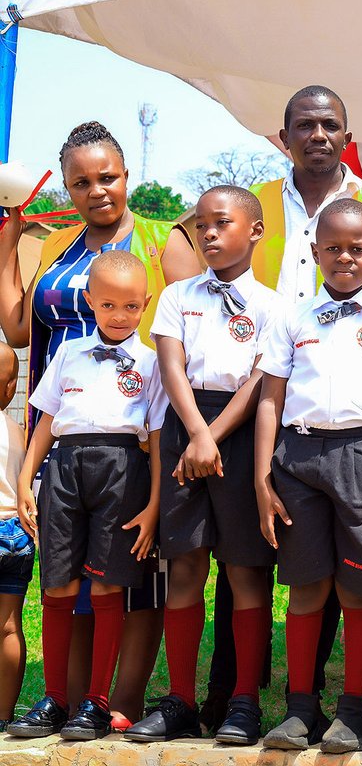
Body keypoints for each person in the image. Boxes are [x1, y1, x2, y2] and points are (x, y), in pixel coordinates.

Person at [0, 121, 199, 730]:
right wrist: (9, 239)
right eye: (81, 182)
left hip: (138, 423)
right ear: (66, 187)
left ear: (126, 176)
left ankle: (122, 700)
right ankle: (69, 695)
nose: (96, 190)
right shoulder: (58, 249)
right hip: (62, 417)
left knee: (128, 578)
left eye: (107, 176)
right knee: (68, 574)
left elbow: (192, 330)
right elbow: (17, 331)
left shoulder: (164, 240)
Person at [255, 198, 362, 754]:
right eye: (333, 248)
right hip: (297, 459)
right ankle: (300, 709)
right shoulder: (291, 317)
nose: (344, 257)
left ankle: (352, 711)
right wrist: (262, 477)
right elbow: (271, 398)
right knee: (305, 588)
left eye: (357, 249)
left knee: (357, 588)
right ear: (314, 251)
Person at [122, 186, 278, 745]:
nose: (208, 235)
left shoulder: (273, 305)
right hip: (185, 429)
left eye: (222, 224)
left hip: (238, 432)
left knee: (244, 571)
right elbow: (171, 366)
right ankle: (181, 700)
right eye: (201, 227)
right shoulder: (177, 295)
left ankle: (243, 702)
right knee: (185, 565)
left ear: (255, 232)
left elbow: (263, 378)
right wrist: (194, 434)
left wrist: (212, 437)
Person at [9, 251, 165, 740]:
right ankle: (56, 698)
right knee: (55, 584)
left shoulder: (154, 362)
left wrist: (155, 503)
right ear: (91, 303)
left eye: (132, 307)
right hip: (65, 468)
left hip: (123, 470)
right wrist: (24, 481)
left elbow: (157, 439)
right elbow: (45, 423)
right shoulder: (68, 353)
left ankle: (96, 703)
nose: (120, 316)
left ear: (147, 304)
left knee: (107, 587)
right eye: (109, 305)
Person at [249, 84, 362, 302]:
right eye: (305, 125)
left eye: (330, 126)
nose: (319, 135)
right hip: (263, 335)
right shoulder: (253, 201)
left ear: (347, 140)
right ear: (284, 138)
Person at [0, 344, 29, 731]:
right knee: (9, 626)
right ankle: (4, 715)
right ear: (10, 388)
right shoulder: (19, 431)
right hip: (15, 534)